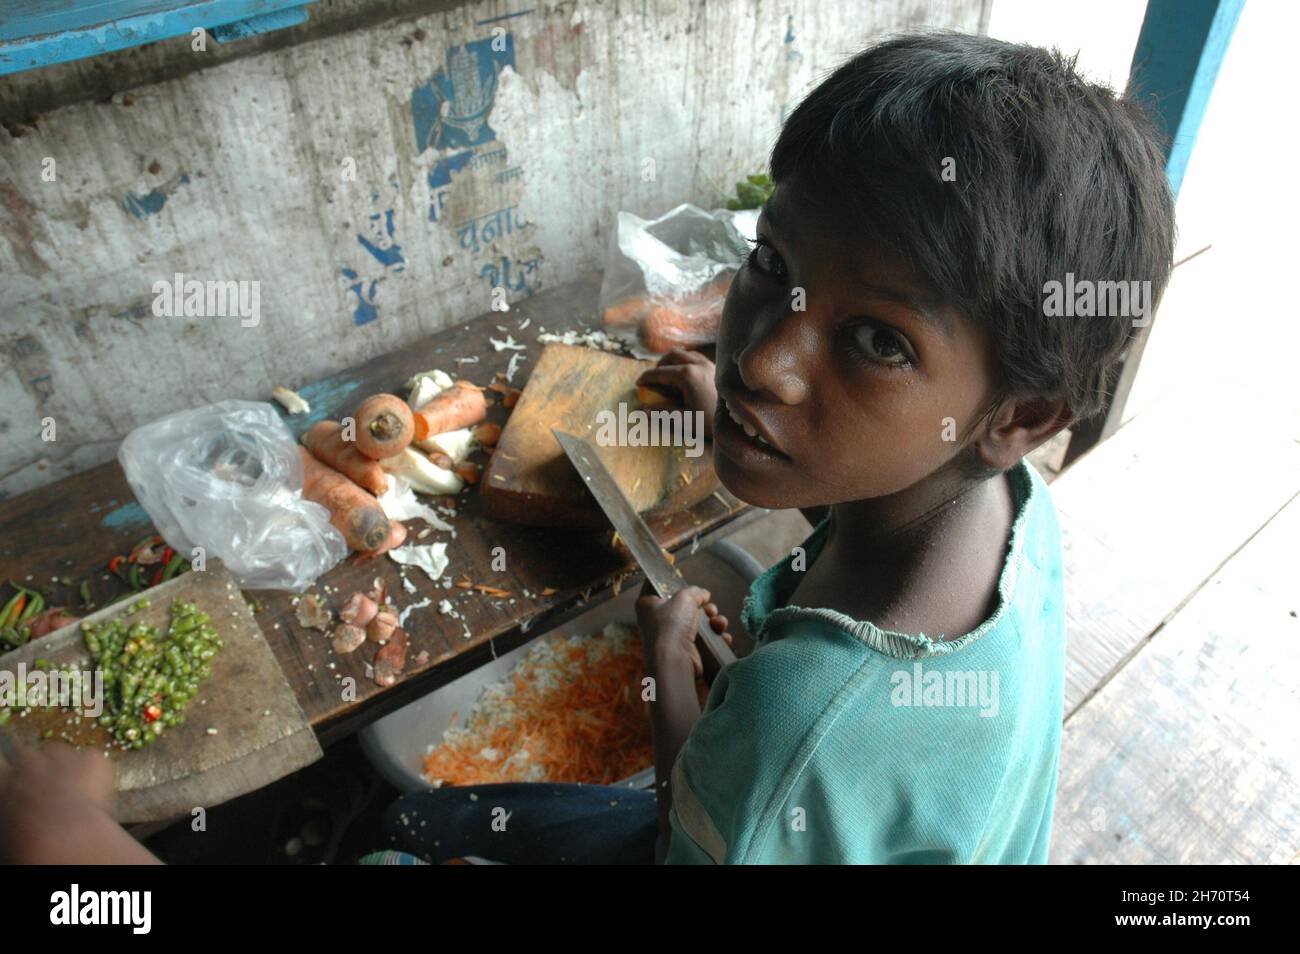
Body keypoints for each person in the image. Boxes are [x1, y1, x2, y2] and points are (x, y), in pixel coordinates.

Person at [377, 32, 1176, 864]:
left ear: (1021, 418)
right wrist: (734, 413)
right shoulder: (1015, 510)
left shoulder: (799, 723)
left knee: (402, 843)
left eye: (877, 341)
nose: (760, 360)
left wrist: (668, 659)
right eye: (772, 260)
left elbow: (693, 829)